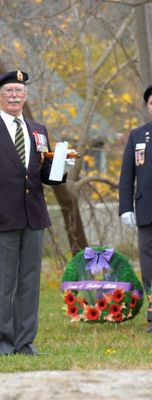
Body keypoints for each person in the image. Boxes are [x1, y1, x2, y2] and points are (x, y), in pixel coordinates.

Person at [0, 70, 76, 356]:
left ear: (26, 96)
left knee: (29, 283)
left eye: (19, 91)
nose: (14, 95)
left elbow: (43, 176)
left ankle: (24, 343)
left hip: (33, 217)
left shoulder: (38, 130)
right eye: (9, 91)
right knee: (1, 286)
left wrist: (60, 168)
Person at [119, 84, 152, 333]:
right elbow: (127, 175)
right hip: (146, 211)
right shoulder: (138, 135)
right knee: (149, 264)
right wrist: (125, 208)